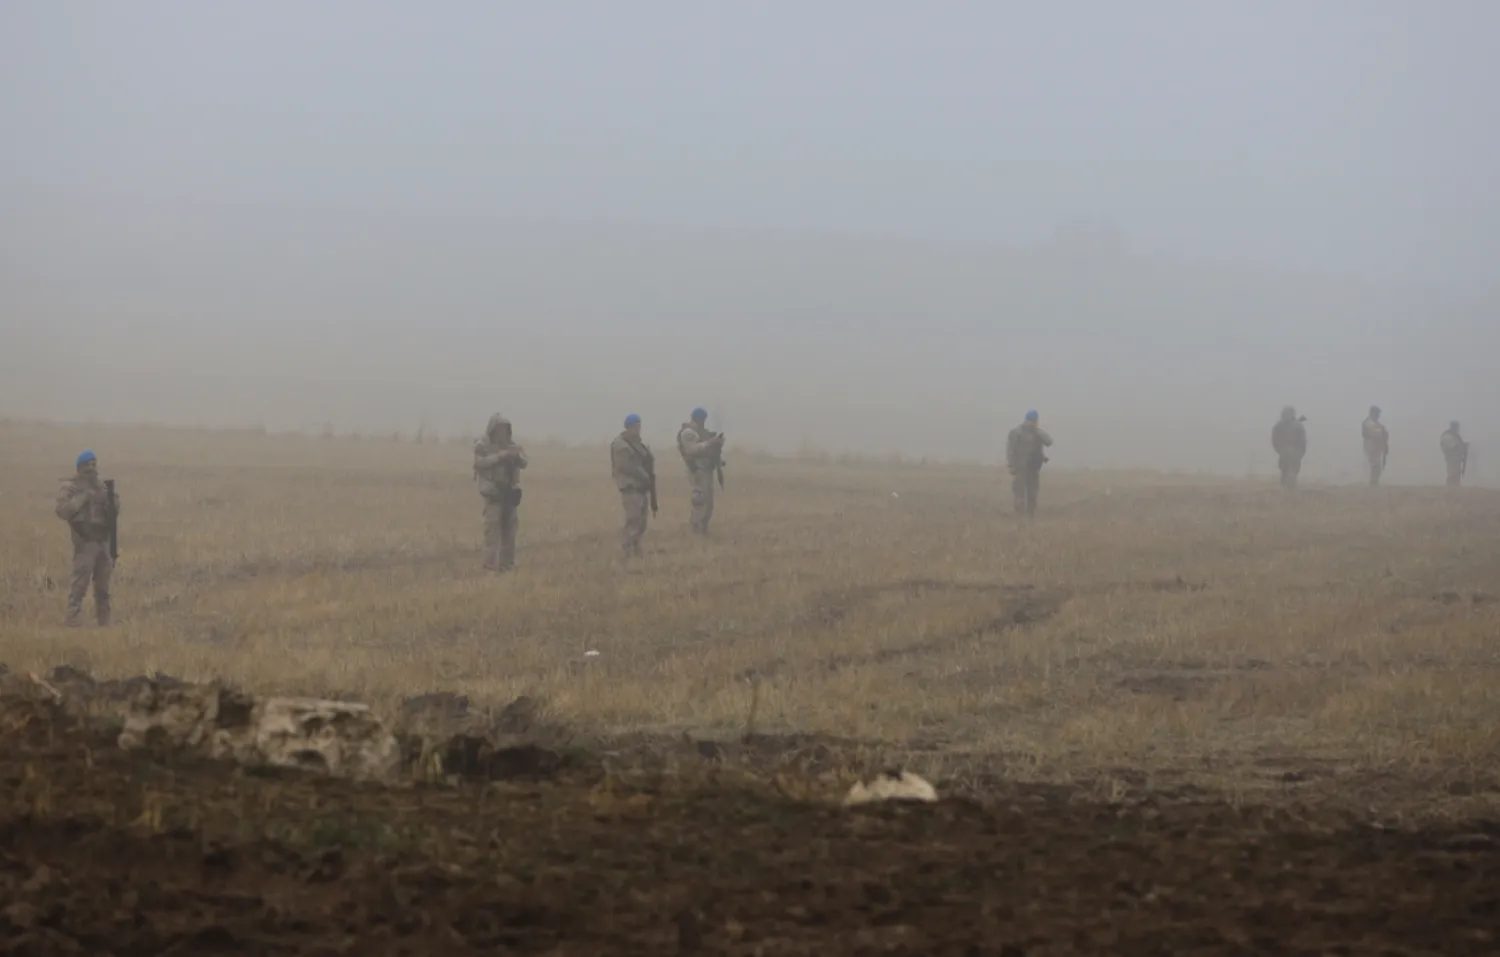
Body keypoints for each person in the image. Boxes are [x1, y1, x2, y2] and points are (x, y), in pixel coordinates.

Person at [54, 450, 119, 627]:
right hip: (85, 543)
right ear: (80, 467)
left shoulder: (103, 486)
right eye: (87, 465)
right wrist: (84, 497)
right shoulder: (71, 487)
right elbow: (62, 510)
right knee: (79, 587)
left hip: (103, 542)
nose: (92, 469)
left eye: (94, 464)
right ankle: (73, 621)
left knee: (103, 588)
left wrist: (109, 499)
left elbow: (114, 512)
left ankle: (104, 622)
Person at [473, 413, 527, 571]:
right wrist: (499, 456)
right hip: (493, 494)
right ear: (493, 429)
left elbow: (524, 463)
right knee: (492, 532)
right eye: (499, 428)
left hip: (510, 494)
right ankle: (489, 566)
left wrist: (516, 454)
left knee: (510, 532)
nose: (502, 432)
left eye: (504, 429)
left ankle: (507, 565)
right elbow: (479, 463)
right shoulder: (483, 445)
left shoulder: (511, 444)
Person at [610, 414, 656, 558]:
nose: (638, 429)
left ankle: (636, 548)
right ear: (628, 427)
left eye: (638, 425)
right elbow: (626, 466)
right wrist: (643, 475)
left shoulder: (638, 444)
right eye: (635, 426)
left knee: (642, 522)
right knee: (633, 520)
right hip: (630, 487)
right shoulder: (620, 445)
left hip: (641, 487)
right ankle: (627, 550)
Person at [677, 407, 725, 535]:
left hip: (707, 469)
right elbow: (691, 450)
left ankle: (703, 527)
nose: (704, 421)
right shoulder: (688, 432)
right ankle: (695, 527)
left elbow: (708, 450)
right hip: (697, 470)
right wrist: (711, 443)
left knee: (709, 502)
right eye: (702, 419)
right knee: (700, 500)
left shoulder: (703, 432)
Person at [1005, 410, 1053, 517]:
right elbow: (1010, 450)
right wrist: (1011, 465)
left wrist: (1037, 431)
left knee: (1032, 494)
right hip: (1020, 468)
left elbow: (1049, 441)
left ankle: (1029, 516)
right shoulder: (1016, 433)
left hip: (1033, 468)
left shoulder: (1037, 433)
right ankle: (1020, 517)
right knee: (1020, 493)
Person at [1271, 406, 1308, 489]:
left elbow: (1274, 441)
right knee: (1288, 471)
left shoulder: (1279, 425)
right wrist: (1300, 453)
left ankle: (1288, 490)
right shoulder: (1296, 425)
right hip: (1290, 451)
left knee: (1289, 471)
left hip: (1289, 451)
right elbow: (1303, 442)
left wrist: (1280, 450)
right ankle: (1289, 491)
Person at [1362, 406, 1389, 486]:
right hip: (1371, 446)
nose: (1378, 415)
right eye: (1376, 413)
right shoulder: (1367, 423)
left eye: (1378, 414)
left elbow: (1384, 435)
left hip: (1378, 447)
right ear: (1372, 413)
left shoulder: (1379, 425)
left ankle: (1374, 481)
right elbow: (1365, 434)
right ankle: (1373, 482)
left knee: (1377, 465)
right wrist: (1376, 437)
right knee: (1375, 464)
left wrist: (1385, 445)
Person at [1440, 421, 1467, 487]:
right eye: (1456, 427)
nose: (1458, 428)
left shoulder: (1456, 435)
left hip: (1457, 457)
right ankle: (1451, 486)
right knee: (1452, 472)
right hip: (1452, 457)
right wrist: (1458, 447)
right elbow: (1448, 446)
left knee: (1456, 472)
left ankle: (1455, 486)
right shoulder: (1447, 435)